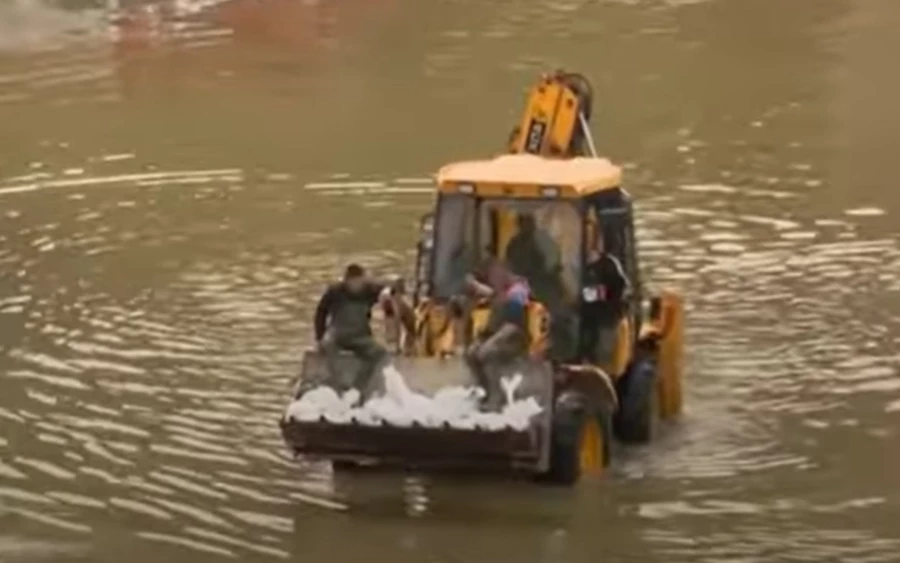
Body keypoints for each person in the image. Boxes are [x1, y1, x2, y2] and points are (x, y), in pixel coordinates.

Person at [314, 264, 409, 393]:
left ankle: (360, 385)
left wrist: (394, 288)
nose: (356, 285)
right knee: (328, 347)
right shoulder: (334, 291)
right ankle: (336, 383)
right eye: (353, 282)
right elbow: (321, 313)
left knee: (380, 354)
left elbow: (386, 290)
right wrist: (319, 337)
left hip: (360, 337)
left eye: (359, 281)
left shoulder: (369, 290)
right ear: (346, 280)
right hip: (337, 335)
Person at [463, 259, 531, 408]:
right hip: (496, 335)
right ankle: (484, 390)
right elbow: (485, 292)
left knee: (488, 353)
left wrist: (492, 342)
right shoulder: (500, 292)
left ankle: (497, 395)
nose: (492, 279)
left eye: (494, 275)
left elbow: (513, 325)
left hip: (513, 338)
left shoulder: (517, 292)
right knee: (471, 353)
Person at [579, 235, 630, 365]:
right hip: (584, 323)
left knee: (603, 358)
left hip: (605, 322)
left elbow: (619, 289)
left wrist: (594, 294)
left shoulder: (609, 265)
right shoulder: (577, 265)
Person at [504, 213, 565, 309]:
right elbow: (509, 263)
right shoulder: (515, 243)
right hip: (523, 284)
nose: (526, 226)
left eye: (528, 222)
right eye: (523, 223)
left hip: (544, 283)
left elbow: (553, 261)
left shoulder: (543, 239)